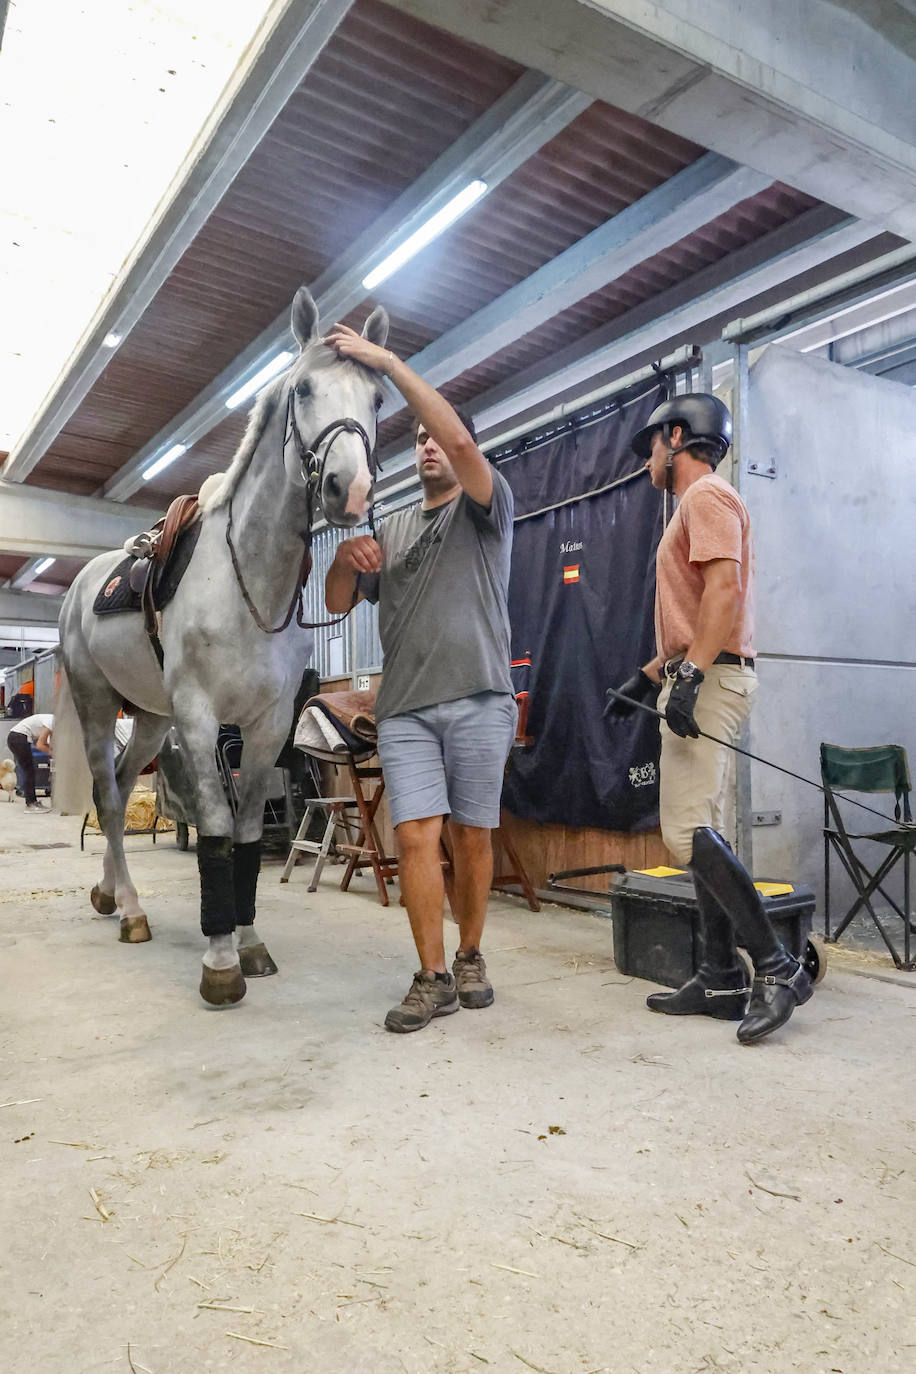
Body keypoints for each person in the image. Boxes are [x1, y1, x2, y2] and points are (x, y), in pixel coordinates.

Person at [324, 322, 516, 1033]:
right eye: (419, 440)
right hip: (404, 708)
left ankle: (471, 955)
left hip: (479, 699)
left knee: (471, 835)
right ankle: (432, 976)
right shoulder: (394, 528)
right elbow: (339, 601)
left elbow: (464, 445)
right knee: (414, 837)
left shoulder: (487, 509)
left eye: (437, 436)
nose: (429, 445)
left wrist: (385, 362)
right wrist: (347, 556)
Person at [606, 394, 814, 1044]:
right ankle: (720, 976)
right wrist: (648, 678)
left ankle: (776, 968)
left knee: (685, 832)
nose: (647, 462)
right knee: (706, 832)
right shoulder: (698, 505)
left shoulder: (705, 499)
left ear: (675, 437)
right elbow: (700, 609)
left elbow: (724, 591)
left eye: (650, 449)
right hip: (704, 670)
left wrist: (690, 676)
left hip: (712, 677)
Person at [7, 712, 53, 811]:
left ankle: (32, 801)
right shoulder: (51, 721)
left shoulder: (52, 723)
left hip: (17, 737)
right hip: (18, 738)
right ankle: (31, 803)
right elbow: (40, 745)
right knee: (29, 771)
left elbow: (50, 744)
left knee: (29, 771)